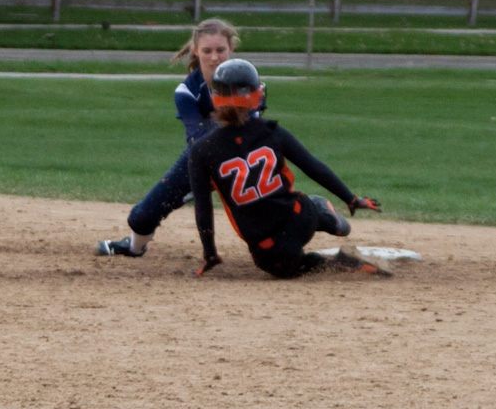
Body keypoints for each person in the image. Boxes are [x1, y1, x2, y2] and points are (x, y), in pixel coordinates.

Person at [187, 58, 388, 279]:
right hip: (299, 218)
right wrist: (351, 199)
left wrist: (210, 253)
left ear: (215, 98)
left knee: (285, 267)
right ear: (255, 96)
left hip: (267, 248)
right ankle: (322, 215)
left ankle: (333, 253)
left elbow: (203, 209)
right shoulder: (272, 132)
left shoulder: (201, 150)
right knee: (305, 213)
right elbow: (313, 167)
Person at [95, 18, 239, 257]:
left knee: (270, 205)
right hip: (201, 158)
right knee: (141, 218)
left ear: (231, 48)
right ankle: (134, 247)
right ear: (196, 51)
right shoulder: (187, 91)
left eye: (220, 50)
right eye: (207, 51)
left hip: (242, 156)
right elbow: (198, 137)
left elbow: (254, 130)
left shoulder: (246, 81)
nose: (214, 57)